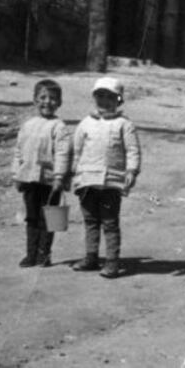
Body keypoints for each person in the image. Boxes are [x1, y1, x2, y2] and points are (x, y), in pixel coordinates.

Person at [71, 77, 141, 279]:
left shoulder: (124, 125)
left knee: (110, 223)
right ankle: (91, 257)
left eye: (111, 97)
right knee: (90, 221)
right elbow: (77, 151)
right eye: (100, 95)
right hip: (87, 182)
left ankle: (112, 261)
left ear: (119, 100)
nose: (104, 100)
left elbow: (133, 150)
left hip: (111, 182)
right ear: (94, 98)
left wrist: (131, 171)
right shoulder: (85, 124)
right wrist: (73, 173)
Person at [12, 79, 72, 268]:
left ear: (59, 102)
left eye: (53, 98)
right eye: (43, 97)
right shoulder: (27, 125)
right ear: (35, 100)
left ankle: (44, 254)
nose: (48, 102)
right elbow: (18, 151)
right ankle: (30, 254)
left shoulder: (59, 127)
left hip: (49, 181)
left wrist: (59, 177)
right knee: (31, 217)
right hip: (29, 178)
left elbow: (63, 153)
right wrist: (16, 174)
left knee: (50, 217)